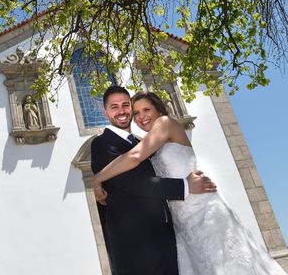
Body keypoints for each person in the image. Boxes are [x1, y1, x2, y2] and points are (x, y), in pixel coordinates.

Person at [93, 91, 286, 275]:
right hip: (181, 220)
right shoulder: (148, 141)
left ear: (158, 110)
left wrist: (97, 178)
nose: (141, 116)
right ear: (106, 111)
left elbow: (134, 157)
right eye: (136, 112)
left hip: (202, 210)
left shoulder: (165, 123)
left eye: (146, 109)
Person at [90, 86, 217, 275]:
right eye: (114, 107)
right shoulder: (102, 143)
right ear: (105, 111)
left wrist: (96, 180)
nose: (122, 111)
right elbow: (136, 183)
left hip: (168, 233)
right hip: (135, 245)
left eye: (126, 105)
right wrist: (185, 185)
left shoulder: (144, 141)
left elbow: (138, 158)